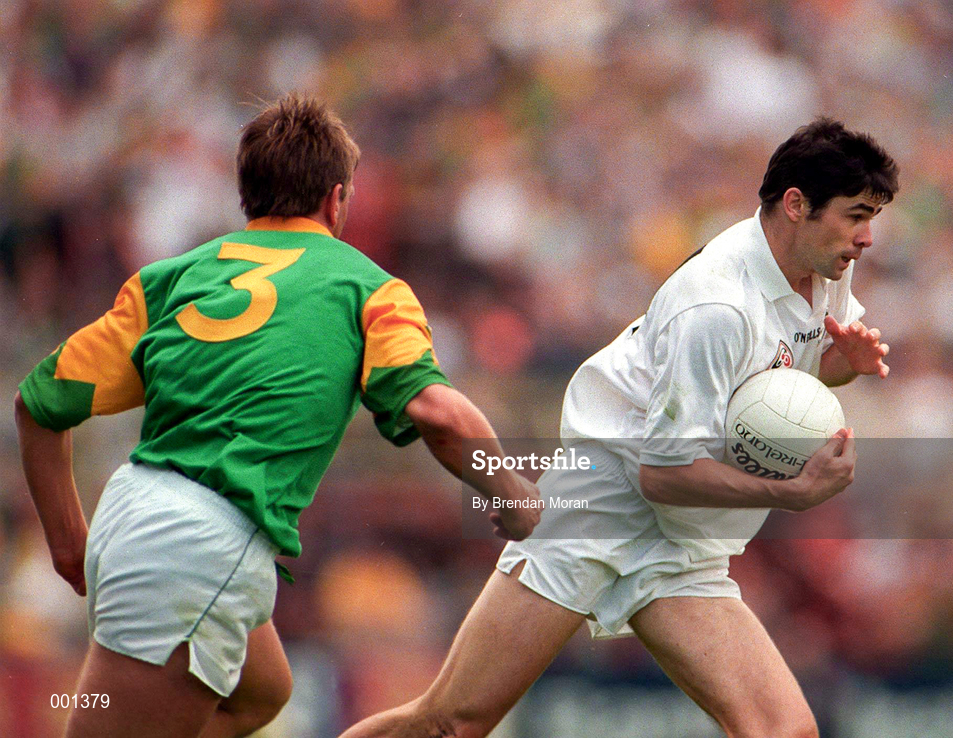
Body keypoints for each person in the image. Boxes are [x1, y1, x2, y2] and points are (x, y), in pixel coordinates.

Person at [339, 118, 899, 738]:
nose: (867, 237)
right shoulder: (714, 305)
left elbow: (778, 381)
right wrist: (789, 492)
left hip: (678, 540)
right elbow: (661, 473)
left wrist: (839, 367)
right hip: (598, 507)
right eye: (855, 215)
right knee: (451, 724)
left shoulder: (827, 267)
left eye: (871, 216)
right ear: (796, 205)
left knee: (784, 732)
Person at [14, 93, 541, 738]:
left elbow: (37, 405)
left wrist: (72, 545)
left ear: (248, 198)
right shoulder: (369, 288)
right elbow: (436, 411)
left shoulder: (169, 279)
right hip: (200, 544)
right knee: (95, 719)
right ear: (336, 199)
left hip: (139, 514)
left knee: (262, 694)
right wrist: (513, 493)